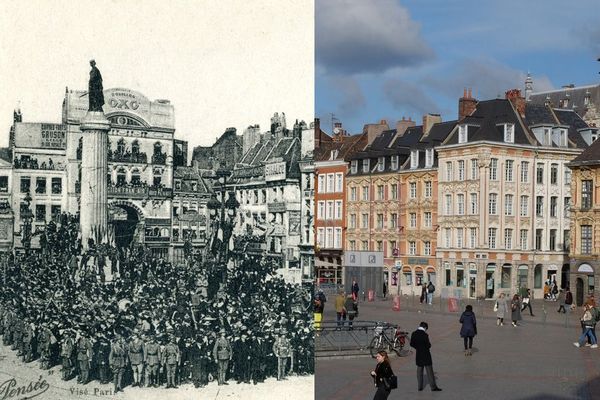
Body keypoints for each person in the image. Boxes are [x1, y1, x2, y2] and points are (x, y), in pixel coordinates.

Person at [409, 322, 442, 392]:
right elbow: (428, 345)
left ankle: (420, 387)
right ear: (425, 328)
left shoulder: (414, 333)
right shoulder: (425, 335)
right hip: (426, 355)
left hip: (419, 354)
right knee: (429, 371)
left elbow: (412, 344)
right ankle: (433, 387)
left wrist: (418, 347)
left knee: (419, 371)